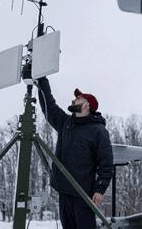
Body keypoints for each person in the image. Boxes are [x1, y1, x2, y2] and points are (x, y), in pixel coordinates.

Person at [36, 77, 114, 229]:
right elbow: (49, 106)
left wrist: (100, 190)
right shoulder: (66, 123)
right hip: (64, 192)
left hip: (83, 195)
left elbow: (106, 164)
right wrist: (41, 80)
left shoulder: (98, 131)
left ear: (87, 106)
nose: (74, 100)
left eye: (78, 98)